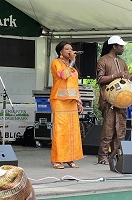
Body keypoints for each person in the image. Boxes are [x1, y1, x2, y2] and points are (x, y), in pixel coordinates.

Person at [96, 35, 132, 165]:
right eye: (121, 46)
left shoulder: (122, 63)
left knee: (120, 130)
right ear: (114, 46)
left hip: (121, 100)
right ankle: (103, 156)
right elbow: (100, 80)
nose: (123, 48)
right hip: (108, 100)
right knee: (108, 129)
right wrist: (115, 75)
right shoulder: (103, 60)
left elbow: (126, 81)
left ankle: (116, 155)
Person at [49, 41, 84, 169]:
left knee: (72, 131)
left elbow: (75, 86)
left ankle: (69, 158)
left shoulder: (72, 67)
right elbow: (63, 75)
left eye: (71, 49)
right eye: (67, 49)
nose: (70, 51)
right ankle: (57, 160)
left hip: (71, 102)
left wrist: (79, 101)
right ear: (61, 52)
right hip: (59, 100)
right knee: (60, 130)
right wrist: (73, 61)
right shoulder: (56, 63)